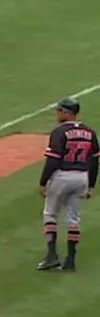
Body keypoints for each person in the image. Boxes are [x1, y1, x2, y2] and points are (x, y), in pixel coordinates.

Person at [36, 97, 98, 272]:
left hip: (62, 175)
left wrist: (43, 182)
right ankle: (70, 260)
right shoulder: (90, 132)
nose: (57, 113)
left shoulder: (59, 132)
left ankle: (52, 256)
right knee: (73, 218)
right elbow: (95, 161)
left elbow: (53, 160)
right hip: (82, 177)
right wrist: (91, 185)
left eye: (59, 110)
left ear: (67, 112)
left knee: (50, 214)